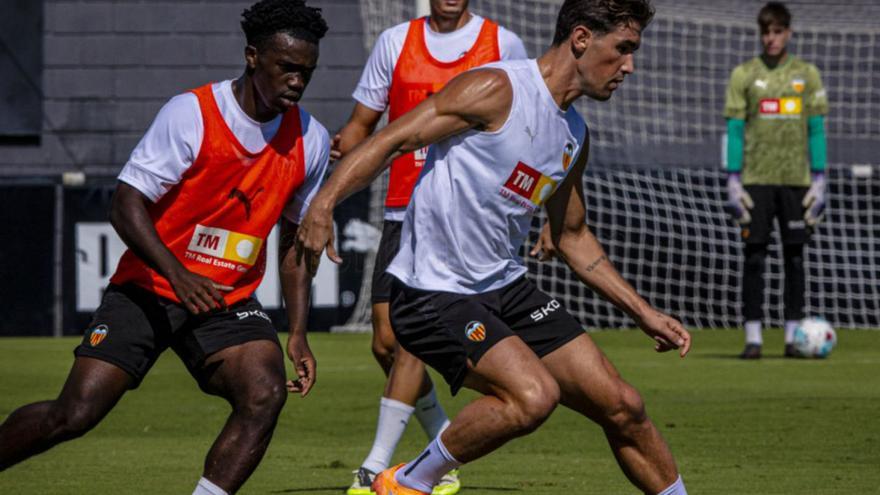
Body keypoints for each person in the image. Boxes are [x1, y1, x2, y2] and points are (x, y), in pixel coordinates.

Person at [296, 0, 692, 493]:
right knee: (533, 396)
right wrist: (323, 203)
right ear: (583, 38)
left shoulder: (573, 134)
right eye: (625, 49)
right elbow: (393, 139)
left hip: (505, 288)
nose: (631, 66)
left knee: (624, 406)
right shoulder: (496, 88)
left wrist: (643, 312)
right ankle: (407, 483)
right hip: (430, 292)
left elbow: (572, 236)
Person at [0, 1, 330, 493]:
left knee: (263, 394)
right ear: (252, 57)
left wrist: (299, 331)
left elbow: (296, 244)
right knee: (75, 414)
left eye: (307, 72)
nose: (297, 82)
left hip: (226, 301)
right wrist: (179, 275)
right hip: (150, 286)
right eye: (287, 68)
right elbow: (126, 204)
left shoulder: (312, 139)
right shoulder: (191, 113)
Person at [333, 1, 527, 494]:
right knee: (384, 342)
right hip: (402, 210)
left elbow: (531, 126)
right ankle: (441, 440)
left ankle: (377, 467)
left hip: (462, 215)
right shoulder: (395, 42)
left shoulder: (502, 45)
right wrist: (338, 163)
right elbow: (363, 123)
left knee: (409, 341)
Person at [723, 1, 828, 360]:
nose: (771, 38)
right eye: (766, 32)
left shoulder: (806, 75)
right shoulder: (745, 75)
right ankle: (753, 338)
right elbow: (734, 131)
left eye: (777, 31)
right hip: (755, 180)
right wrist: (733, 180)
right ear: (761, 34)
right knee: (754, 256)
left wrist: (820, 178)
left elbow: (815, 129)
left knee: (795, 257)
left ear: (788, 33)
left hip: (796, 181)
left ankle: (793, 338)